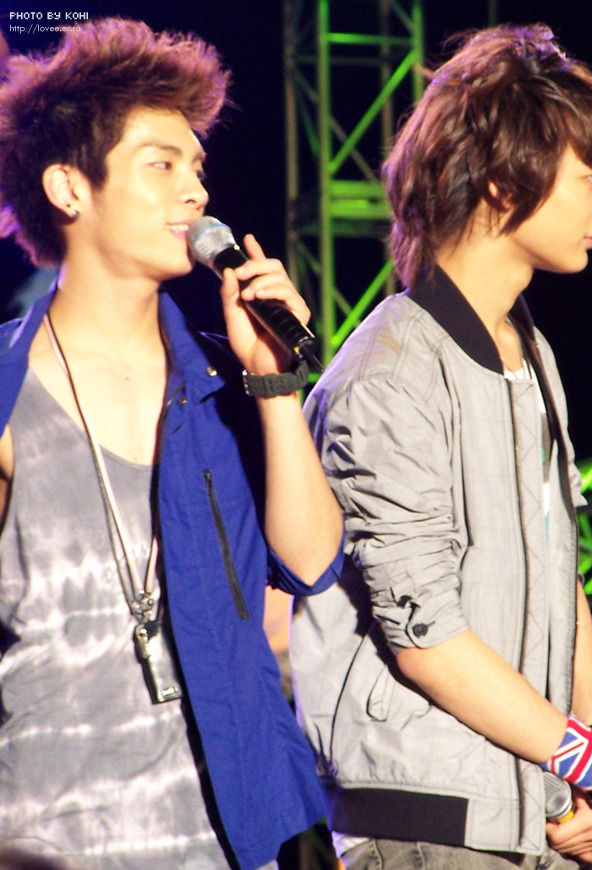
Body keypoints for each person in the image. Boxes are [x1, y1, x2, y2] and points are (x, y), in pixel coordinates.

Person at [290, 23, 592, 869]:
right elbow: (428, 641)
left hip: (533, 809)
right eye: (589, 178)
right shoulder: (390, 376)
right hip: (426, 824)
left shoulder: (531, 350)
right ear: (503, 181)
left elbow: (561, 567)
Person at [0, 18, 344, 869]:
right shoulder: (7, 392)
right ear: (69, 188)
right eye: (162, 165)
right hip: (44, 833)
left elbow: (311, 563)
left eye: (197, 168)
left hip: (228, 837)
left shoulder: (226, 383)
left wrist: (274, 384)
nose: (195, 192)